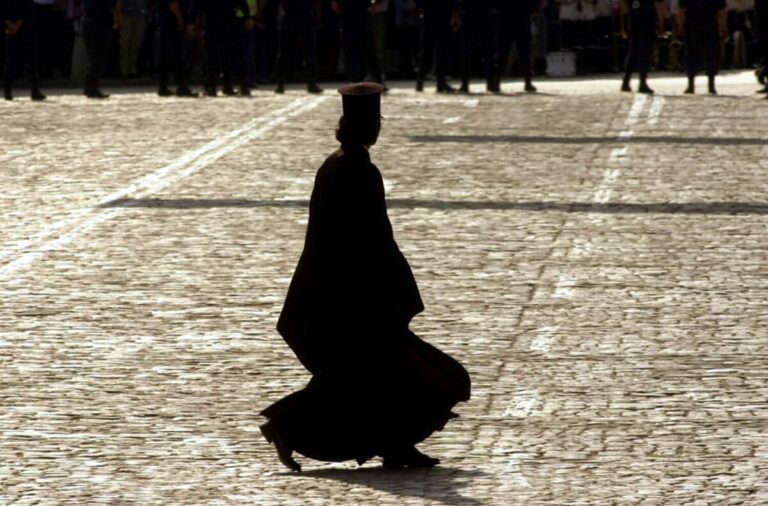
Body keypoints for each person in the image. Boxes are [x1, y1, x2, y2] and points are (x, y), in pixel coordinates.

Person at [260, 82, 471, 472]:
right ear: (372, 127)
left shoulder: (333, 164)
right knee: (400, 376)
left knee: (374, 380)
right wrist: (396, 290)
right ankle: (286, 425)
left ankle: (394, 445)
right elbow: (373, 237)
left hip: (334, 293)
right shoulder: (360, 171)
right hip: (355, 298)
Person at [191, 0, 254, 97]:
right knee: (230, 56)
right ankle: (231, 85)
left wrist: (192, 21)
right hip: (229, 21)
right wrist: (247, 16)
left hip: (212, 23)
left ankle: (211, 86)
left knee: (212, 57)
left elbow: (197, 5)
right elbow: (241, 2)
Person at [271, 0, 322, 93]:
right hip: (302, 15)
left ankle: (281, 83)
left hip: (293, 16)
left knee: (286, 52)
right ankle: (311, 83)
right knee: (308, 51)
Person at [678, 0, 727, 94]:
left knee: (694, 53)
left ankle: (692, 85)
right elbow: (721, 9)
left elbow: (681, 8)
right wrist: (723, 25)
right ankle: (710, 86)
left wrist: (680, 24)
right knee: (710, 53)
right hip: (707, 23)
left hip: (695, 23)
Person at [331, 0, 386, 86]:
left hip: (359, 12)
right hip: (350, 13)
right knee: (352, 49)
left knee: (367, 48)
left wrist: (374, 4)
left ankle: (373, 77)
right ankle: (356, 78)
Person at [3, 0, 46, 100]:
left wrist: (10, 24)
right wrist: (17, 24)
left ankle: (7, 90)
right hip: (26, 28)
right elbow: (27, 9)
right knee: (29, 59)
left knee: (12, 60)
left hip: (13, 29)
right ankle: (34, 90)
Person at [620, 0, 665, 94]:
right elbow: (658, 4)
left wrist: (624, 23)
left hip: (633, 17)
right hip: (647, 18)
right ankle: (642, 82)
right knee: (645, 51)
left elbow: (623, 5)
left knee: (633, 50)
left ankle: (626, 81)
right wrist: (660, 24)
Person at [415, 0, 461, 92]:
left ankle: (421, 80)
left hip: (430, 16)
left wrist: (420, 8)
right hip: (443, 16)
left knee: (427, 50)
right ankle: (440, 82)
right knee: (442, 51)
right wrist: (456, 15)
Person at [81, 0, 122, 98]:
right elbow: (112, 3)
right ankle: (92, 87)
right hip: (100, 20)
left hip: (87, 18)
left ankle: (89, 86)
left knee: (93, 56)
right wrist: (118, 17)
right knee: (98, 56)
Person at [156, 0, 198, 97]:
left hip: (164, 20)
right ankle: (181, 86)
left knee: (164, 54)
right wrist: (179, 17)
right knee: (176, 54)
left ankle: (162, 86)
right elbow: (172, 2)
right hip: (171, 21)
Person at [497, 0, 539, 93]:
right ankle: (527, 82)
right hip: (521, 21)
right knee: (524, 54)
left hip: (506, 21)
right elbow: (534, 6)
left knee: (503, 52)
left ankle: (496, 81)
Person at [459, 0, 499, 93]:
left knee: (467, 51)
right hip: (484, 14)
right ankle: (491, 83)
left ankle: (465, 83)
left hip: (471, 15)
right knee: (488, 51)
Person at [118, 0, 148, 79]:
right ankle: (124, 70)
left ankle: (132, 69)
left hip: (141, 13)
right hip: (126, 13)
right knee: (124, 43)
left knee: (136, 43)